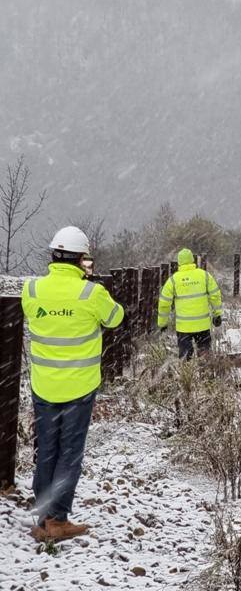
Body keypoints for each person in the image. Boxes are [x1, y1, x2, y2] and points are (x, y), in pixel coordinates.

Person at [22, 226, 124, 542]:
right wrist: (90, 287)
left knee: (47, 450)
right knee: (70, 453)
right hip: (78, 389)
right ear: (82, 259)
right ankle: (57, 520)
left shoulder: (33, 290)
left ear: (53, 255)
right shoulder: (91, 293)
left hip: (43, 387)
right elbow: (116, 317)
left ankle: (43, 516)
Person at [157, 248, 223, 359]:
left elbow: (164, 304)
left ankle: (187, 375)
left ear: (179, 262)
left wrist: (162, 324)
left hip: (184, 328)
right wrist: (217, 314)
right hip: (202, 325)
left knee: (185, 358)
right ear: (193, 260)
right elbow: (215, 296)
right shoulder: (204, 276)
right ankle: (206, 374)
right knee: (205, 355)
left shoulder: (173, 280)